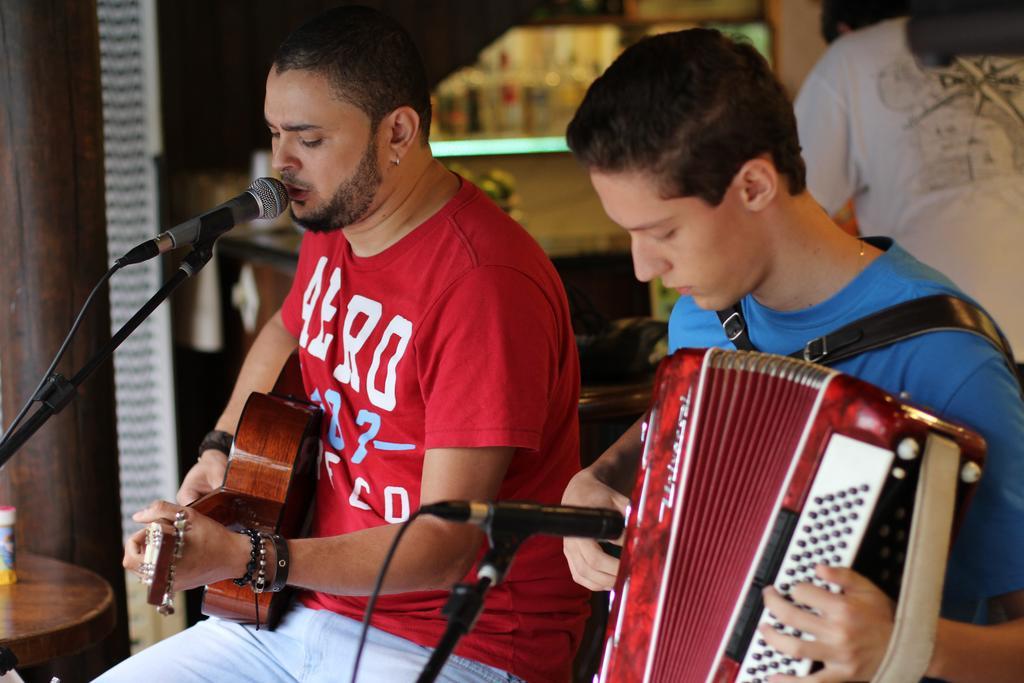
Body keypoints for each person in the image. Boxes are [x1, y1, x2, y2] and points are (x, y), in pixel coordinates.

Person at [101, 6, 588, 683]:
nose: (281, 163)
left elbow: (448, 541)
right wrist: (220, 451)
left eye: (308, 138)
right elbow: (284, 331)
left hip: (453, 642)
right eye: (275, 133)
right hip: (299, 611)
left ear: (398, 132)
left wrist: (250, 557)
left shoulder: (483, 282)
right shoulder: (336, 224)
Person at [560, 28, 1024, 682]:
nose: (643, 268)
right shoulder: (702, 317)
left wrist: (910, 645)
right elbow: (684, 430)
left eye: (662, 231)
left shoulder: (946, 358)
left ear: (754, 185)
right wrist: (599, 478)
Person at [794, 0, 1024, 379]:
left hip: (943, 343)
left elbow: (790, 213)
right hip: (955, 335)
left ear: (846, 30)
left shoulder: (850, 58)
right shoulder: (1005, 33)